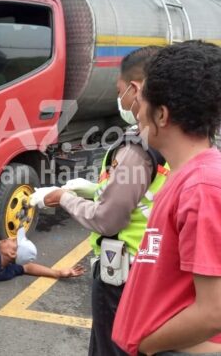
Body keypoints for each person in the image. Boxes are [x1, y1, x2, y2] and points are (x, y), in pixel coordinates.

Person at [29, 46, 167, 356]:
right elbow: (142, 191)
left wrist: (64, 197)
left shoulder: (136, 148)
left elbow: (107, 219)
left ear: (135, 89)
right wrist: (90, 188)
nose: (119, 101)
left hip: (124, 271)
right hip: (154, 265)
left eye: (120, 92)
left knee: (111, 346)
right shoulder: (171, 137)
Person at [111, 41, 221, 356]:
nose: (137, 111)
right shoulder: (186, 176)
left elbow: (217, 310)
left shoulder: (203, 187)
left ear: (161, 114)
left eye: (142, 100)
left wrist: (148, 345)